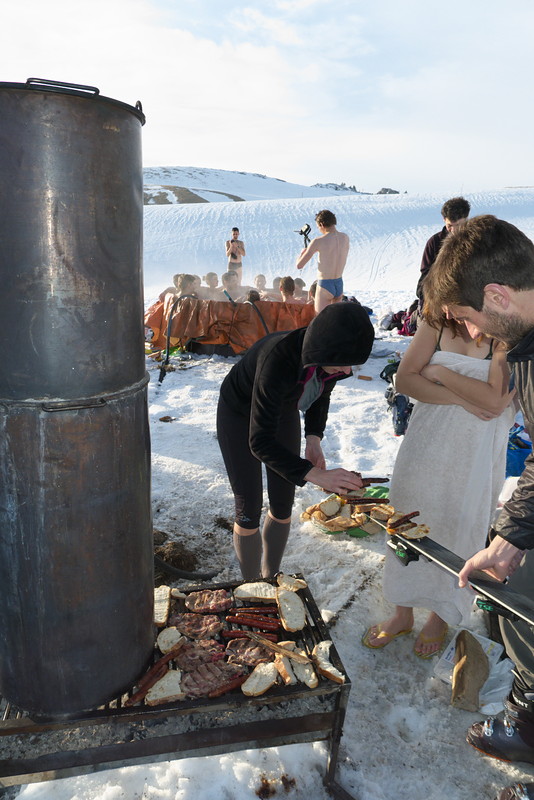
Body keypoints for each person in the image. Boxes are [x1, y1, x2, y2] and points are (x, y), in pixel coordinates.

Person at [422, 215, 534, 800]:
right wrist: (513, 533)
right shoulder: (526, 346)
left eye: (468, 319)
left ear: (496, 295)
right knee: (513, 597)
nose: (472, 332)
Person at [362, 314, 513, 656]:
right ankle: (401, 612)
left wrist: (440, 374)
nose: (450, 308)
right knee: (406, 524)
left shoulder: (505, 327)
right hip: (425, 444)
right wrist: (461, 397)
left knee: (458, 529)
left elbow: (495, 400)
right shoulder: (437, 321)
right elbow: (405, 381)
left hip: (474, 455)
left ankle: (440, 615)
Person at [216, 303, 375, 580]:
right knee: (249, 507)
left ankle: (271, 574)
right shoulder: (277, 358)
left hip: (284, 408)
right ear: (324, 349)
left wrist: (313, 438)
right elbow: (259, 441)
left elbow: (320, 394)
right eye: (344, 362)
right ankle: (252, 584)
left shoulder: (330, 356)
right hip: (239, 414)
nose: (348, 370)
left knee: (282, 502)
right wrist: (316, 475)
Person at [416, 196, 471, 306]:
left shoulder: (477, 241)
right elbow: (425, 280)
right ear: (444, 219)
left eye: (459, 225)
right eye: (449, 226)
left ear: (467, 219)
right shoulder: (434, 243)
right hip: (441, 300)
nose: (454, 231)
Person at [296, 210, 349, 314]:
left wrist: (302, 253)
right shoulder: (345, 237)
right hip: (339, 282)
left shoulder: (318, 241)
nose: (319, 229)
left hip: (325, 284)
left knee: (320, 320)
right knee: (335, 319)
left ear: (321, 224)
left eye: (318, 227)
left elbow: (299, 265)